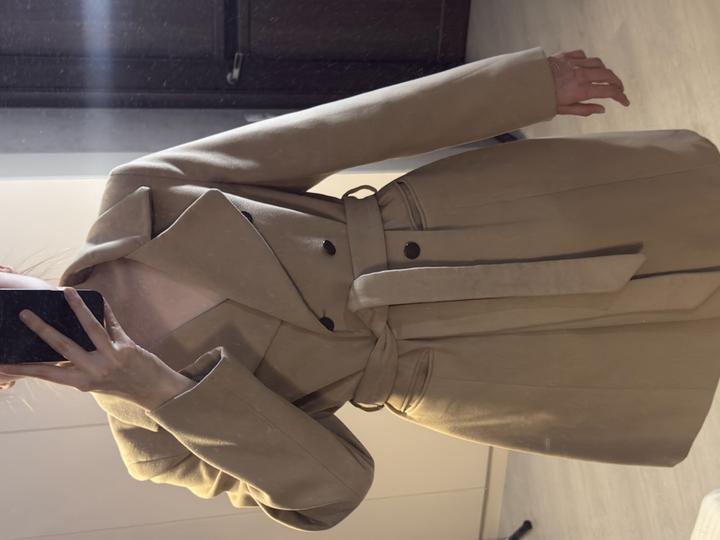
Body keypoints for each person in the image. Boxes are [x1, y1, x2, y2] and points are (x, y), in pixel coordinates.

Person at [2, 45, 719, 532]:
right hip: (480, 364)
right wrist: (160, 392)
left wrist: (518, 89)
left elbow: (331, 134)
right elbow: (334, 490)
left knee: (691, 216)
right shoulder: (153, 443)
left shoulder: (140, 197)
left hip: (472, 222)